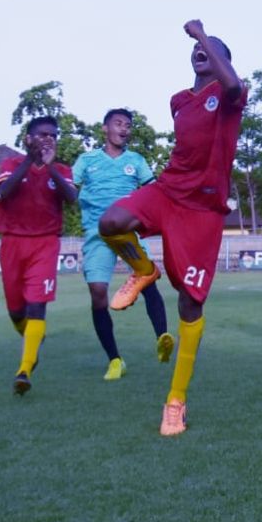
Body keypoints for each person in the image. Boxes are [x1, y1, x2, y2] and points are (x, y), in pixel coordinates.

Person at [98, 20, 246, 436]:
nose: (204, 51)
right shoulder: (179, 101)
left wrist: (202, 35)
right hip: (168, 191)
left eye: (215, 49)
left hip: (202, 210)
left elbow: (232, 85)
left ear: (222, 62)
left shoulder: (230, 93)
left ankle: (176, 400)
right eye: (200, 48)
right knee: (110, 223)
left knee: (189, 303)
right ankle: (144, 269)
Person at [72, 108, 172, 380]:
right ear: (105, 128)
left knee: (148, 280)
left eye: (128, 125)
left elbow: (153, 192)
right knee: (97, 293)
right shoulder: (86, 160)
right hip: (97, 235)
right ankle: (115, 360)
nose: (124, 129)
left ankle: (162, 337)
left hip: (129, 232)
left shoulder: (136, 161)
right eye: (118, 123)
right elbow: (71, 189)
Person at [0, 116, 78, 395]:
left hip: (45, 243)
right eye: (42, 134)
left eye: (53, 135)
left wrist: (50, 166)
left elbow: (71, 197)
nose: (48, 139)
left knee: (36, 306)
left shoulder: (62, 169)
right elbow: (4, 192)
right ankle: (33, 341)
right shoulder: (10, 165)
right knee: (16, 311)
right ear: (28, 138)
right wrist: (30, 162)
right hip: (12, 243)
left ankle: (25, 369)